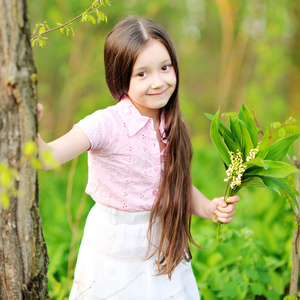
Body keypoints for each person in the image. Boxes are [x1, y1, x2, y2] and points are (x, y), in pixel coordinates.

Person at [37, 16, 239, 300]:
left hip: (163, 247)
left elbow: (175, 184)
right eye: (141, 73)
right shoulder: (105, 124)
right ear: (120, 77)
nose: (158, 82)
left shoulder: (174, 124)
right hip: (113, 252)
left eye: (165, 68)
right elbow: (46, 158)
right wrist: (29, 128)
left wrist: (209, 208)